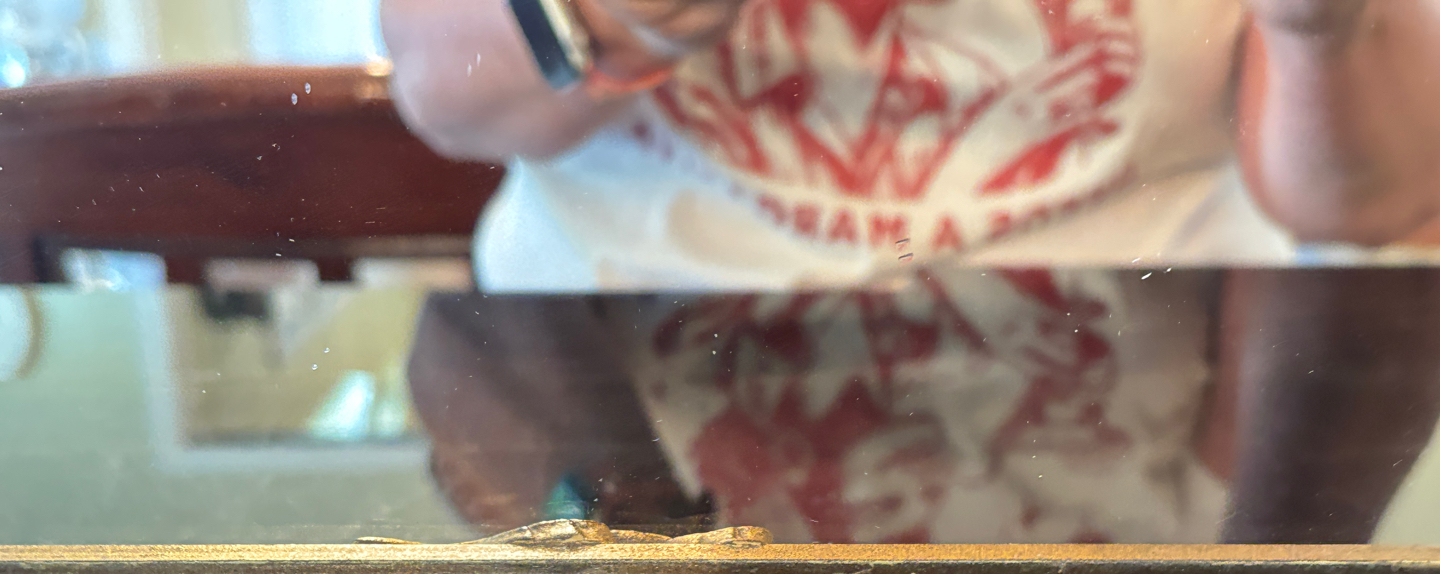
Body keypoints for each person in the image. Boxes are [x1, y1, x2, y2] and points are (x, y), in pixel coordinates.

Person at [381, 0, 1440, 290]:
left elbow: (1370, 204)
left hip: (1153, 343)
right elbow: (445, 98)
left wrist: (1320, 27)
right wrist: (612, 18)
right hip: (623, 356)